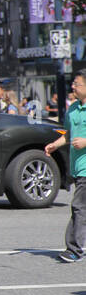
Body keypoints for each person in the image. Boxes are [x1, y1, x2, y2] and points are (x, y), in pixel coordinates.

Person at [45, 70, 86, 263]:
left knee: (79, 207)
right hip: (77, 167)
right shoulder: (73, 109)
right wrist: (55, 145)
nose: (73, 87)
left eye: (77, 84)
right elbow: (68, 135)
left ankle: (74, 249)